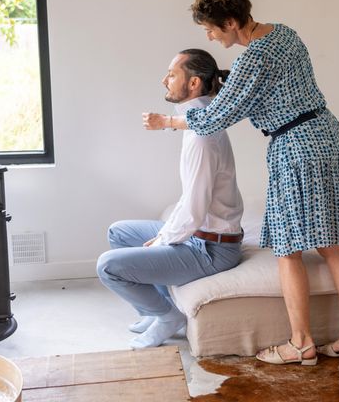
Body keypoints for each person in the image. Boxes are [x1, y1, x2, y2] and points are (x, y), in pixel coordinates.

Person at [143, 0, 339, 365]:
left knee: (288, 250)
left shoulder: (254, 59)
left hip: (296, 149)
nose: (211, 37)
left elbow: (216, 116)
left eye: (212, 29)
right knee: (333, 245)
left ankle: (300, 343)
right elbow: (268, 84)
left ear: (231, 21)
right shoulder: (284, 34)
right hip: (327, 135)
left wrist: (168, 120)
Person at [98, 48, 244, 349]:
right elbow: (192, 198)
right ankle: (158, 310)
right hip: (199, 237)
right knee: (120, 232)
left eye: (173, 74)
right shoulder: (195, 124)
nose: (165, 80)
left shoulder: (202, 137)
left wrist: (164, 239)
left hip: (211, 248)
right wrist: (165, 235)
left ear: (193, 84)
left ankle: (167, 316)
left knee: (108, 266)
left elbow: (194, 209)